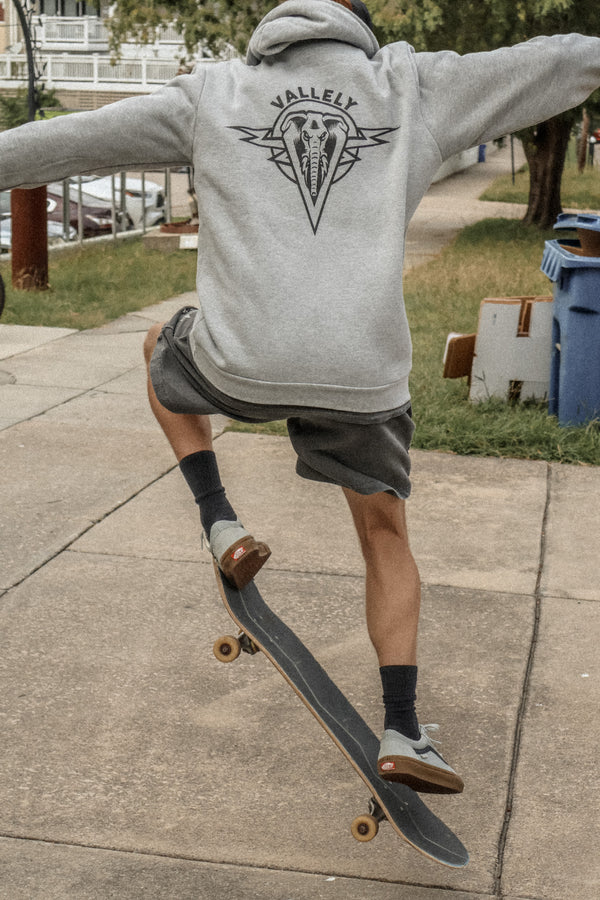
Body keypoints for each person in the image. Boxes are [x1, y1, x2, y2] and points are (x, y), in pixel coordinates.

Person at [2, 0, 599, 794]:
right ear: (356, 26)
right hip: (361, 375)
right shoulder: (415, 87)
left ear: (278, 27)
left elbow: (65, 141)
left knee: (157, 347)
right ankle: (405, 728)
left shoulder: (212, 93)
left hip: (236, 365)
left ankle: (221, 523)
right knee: (385, 531)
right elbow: (562, 59)